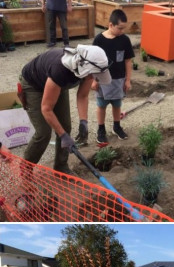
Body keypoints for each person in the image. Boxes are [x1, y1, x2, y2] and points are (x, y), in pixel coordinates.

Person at [19, 44, 112, 173]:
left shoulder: (88, 71)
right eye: (93, 75)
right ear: (84, 68)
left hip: (57, 84)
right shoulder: (60, 70)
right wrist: (63, 136)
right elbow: (46, 109)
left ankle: (61, 167)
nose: (93, 78)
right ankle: (25, 169)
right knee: (43, 133)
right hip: (34, 86)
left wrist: (83, 122)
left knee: (65, 126)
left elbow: (83, 96)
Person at [92, 9, 135, 145]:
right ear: (111, 25)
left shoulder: (124, 40)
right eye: (119, 28)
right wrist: (93, 80)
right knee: (101, 105)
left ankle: (117, 126)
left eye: (124, 28)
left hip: (118, 80)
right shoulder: (99, 40)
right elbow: (92, 63)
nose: (122, 31)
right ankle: (101, 130)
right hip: (102, 80)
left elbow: (128, 61)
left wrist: (127, 80)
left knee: (117, 105)